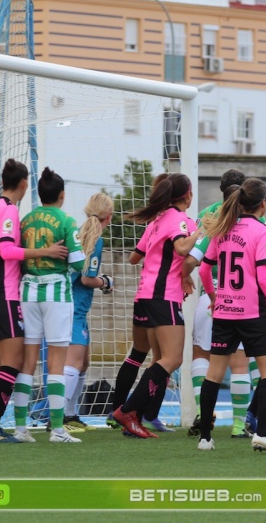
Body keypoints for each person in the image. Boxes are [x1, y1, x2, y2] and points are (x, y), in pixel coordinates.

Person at [195, 178, 266, 454]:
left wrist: (215, 299)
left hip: (225, 313)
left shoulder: (222, 229)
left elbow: (204, 271)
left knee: (213, 375)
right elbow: (264, 276)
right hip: (252, 313)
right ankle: (262, 434)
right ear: (263, 204)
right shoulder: (262, 231)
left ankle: (205, 438)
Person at [0, 159, 68, 443]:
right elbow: (6, 250)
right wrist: (47, 252)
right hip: (3, 294)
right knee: (12, 362)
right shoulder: (8, 211)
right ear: (24, 183)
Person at [111, 173, 202, 438]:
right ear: (188, 194)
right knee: (172, 359)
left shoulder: (157, 219)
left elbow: (134, 257)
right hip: (163, 297)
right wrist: (202, 230)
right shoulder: (181, 220)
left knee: (154, 359)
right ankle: (127, 411)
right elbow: (183, 248)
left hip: (145, 295)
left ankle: (137, 416)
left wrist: (176, 271)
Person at [182, 169, 260, 439]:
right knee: (240, 365)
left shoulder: (208, 216)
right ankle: (240, 425)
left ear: (221, 189)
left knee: (201, 357)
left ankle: (205, 413)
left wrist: (185, 279)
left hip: (212, 297)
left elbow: (193, 260)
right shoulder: (252, 219)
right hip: (243, 301)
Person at [12, 168, 85, 444]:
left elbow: (18, 256)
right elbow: (78, 263)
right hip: (56, 293)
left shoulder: (26, 220)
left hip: (28, 291)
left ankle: (20, 429)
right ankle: (57, 430)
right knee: (56, 362)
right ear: (62, 195)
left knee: (27, 362)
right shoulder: (66, 220)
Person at [62, 193, 115, 434]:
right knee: (73, 364)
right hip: (74, 309)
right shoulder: (95, 239)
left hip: (70, 306)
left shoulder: (79, 232)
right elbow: (86, 278)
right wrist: (105, 282)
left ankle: (71, 415)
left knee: (83, 364)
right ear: (110, 216)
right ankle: (59, 417)